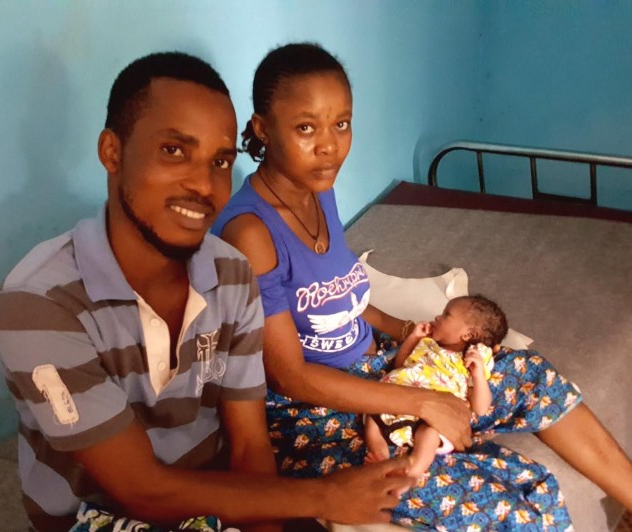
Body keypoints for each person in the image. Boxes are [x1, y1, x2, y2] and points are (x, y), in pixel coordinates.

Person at [0, 51, 413, 532]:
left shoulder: (229, 274)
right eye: (173, 150)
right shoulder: (38, 303)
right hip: (100, 519)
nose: (203, 184)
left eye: (220, 160)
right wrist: (326, 497)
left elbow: (251, 445)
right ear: (112, 152)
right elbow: (140, 488)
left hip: (218, 501)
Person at [213, 42, 632, 529]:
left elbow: (340, 298)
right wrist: (421, 401)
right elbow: (290, 376)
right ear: (263, 129)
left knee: (529, 374)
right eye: (305, 127)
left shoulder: (316, 187)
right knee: (499, 507)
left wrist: (413, 332)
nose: (329, 145)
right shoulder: (251, 232)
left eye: (341, 124)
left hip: (379, 371)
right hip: (319, 416)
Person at [364, 295, 506, 480]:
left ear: (468, 335)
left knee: (430, 433)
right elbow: (400, 365)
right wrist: (413, 338)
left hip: (436, 413)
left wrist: (479, 375)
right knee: (370, 415)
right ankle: (380, 453)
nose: (437, 317)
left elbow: (481, 407)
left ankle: (414, 467)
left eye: (446, 315)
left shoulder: (473, 357)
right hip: (398, 397)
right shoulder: (427, 343)